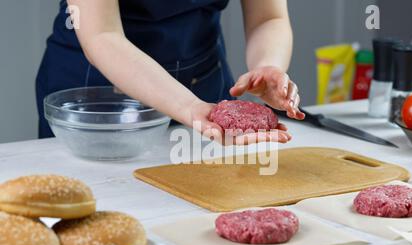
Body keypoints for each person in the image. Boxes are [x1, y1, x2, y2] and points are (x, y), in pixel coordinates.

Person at [36, 0, 303, 145]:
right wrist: (188, 107)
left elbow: (268, 18)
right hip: (98, 96)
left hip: (203, 83)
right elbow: (102, 37)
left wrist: (268, 65)